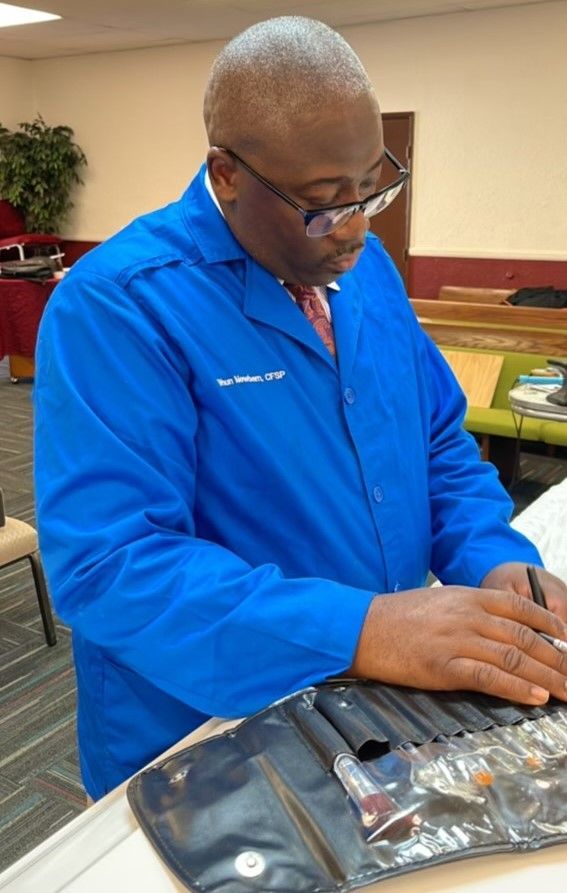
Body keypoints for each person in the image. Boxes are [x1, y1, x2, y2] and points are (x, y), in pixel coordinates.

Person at [34, 16, 567, 801]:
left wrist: (496, 564)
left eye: (372, 189)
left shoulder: (366, 268)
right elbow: (112, 566)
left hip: (364, 704)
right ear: (226, 174)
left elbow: (436, 449)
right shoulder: (119, 306)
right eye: (320, 203)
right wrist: (362, 627)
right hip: (199, 733)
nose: (354, 227)